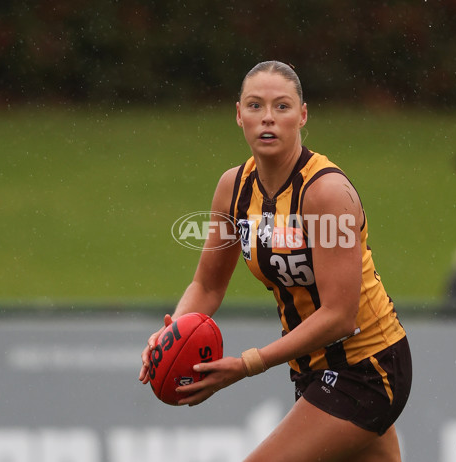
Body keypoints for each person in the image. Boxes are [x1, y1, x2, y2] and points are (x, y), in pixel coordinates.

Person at [139, 61, 412, 462]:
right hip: (311, 371)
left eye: (281, 107)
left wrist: (248, 364)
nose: (267, 117)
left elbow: (340, 315)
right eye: (255, 106)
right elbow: (208, 286)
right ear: (238, 115)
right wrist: (171, 334)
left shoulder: (326, 193)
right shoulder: (233, 187)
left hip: (367, 368)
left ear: (302, 115)